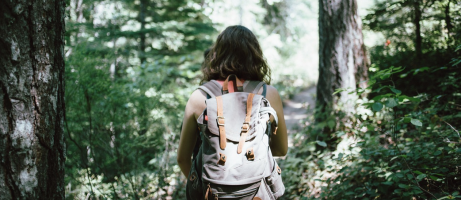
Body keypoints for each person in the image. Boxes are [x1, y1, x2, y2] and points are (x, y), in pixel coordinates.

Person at [177, 25, 288, 180]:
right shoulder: (268, 94)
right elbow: (281, 150)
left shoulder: (199, 96)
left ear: (217, 54)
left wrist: (198, 187)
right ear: (254, 55)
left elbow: (182, 158)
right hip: (256, 191)